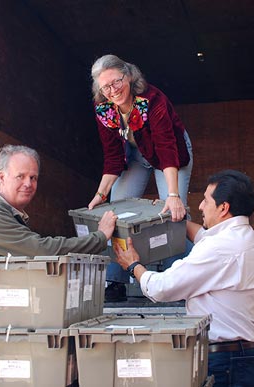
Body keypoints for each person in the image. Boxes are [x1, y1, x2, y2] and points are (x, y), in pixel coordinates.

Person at [114, 170, 254, 387]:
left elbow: (163, 288)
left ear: (223, 208)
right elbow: (202, 237)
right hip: (241, 359)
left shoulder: (220, 248)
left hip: (227, 364)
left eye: (206, 201)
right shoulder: (249, 237)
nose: (200, 207)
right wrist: (174, 218)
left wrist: (133, 266)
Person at [88, 54, 193, 302]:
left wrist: (174, 196)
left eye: (117, 82)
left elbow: (167, 148)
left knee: (172, 216)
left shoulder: (152, 100)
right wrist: (100, 196)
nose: (113, 90)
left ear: (129, 76)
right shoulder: (103, 108)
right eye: (106, 86)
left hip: (171, 153)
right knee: (116, 214)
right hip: (135, 155)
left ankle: (174, 281)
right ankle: (115, 281)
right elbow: (113, 156)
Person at [0, 144, 118, 257]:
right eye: (20, 176)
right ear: (2, 177)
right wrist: (100, 237)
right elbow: (42, 251)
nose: (28, 184)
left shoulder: (10, 214)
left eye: (33, 177)